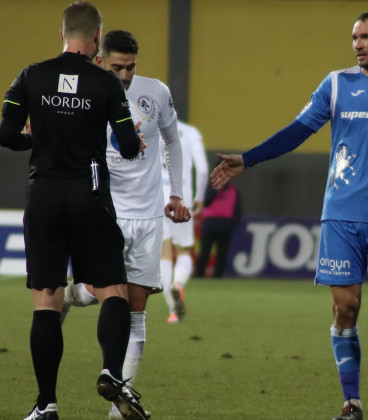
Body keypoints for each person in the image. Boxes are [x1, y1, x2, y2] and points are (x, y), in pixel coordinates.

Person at [210, 11, 368, 420]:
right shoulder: (335, 85)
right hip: (341, 216)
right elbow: (298, 131)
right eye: (354, 37)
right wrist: (248, 159)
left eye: (366, 37)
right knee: (345, 308)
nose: (357, 44)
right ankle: (352, 403)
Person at [0, 3, 150, 420]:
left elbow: (6, 135)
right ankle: (111, 372)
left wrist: (36, 138)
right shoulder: (105, 83)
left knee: (47, 299)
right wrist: (134, 140)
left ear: (62, 33)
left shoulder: (31, 75)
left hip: (43, 194)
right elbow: (129, 146)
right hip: (89, 193)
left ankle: (45, 404)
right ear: (97, 37)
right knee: (113, 290)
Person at [60, 30, 190, 419]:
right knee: (107, 295)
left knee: (136, 308)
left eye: (131, 66)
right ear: (99, 61)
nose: (127, 74)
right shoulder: (84, 94)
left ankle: (121, 405)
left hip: (148, 215)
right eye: (118, 67)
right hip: (105, 212)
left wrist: (177, 194)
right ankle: (71, 295)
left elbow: (172, 141)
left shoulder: (157, 93)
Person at [159, 120, 209, 322]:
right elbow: (203, 169)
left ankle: (173, 310)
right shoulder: (190, 132)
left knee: (163, 253)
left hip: (156, 197)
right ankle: (178, 283)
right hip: (181, 198)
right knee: (183, 250)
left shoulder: (153, 128)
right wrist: (200, 198)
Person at [193, 182, 242, 278]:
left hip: (226, 225)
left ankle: (218, 275)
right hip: (210, 224)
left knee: (222, 253)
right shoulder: (210, 190)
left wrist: (233, 223)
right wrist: (215, 190)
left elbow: (238, 209)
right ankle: (199, 274)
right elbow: (206, 202)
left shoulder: (233, 191)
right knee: (205, 251)